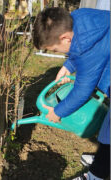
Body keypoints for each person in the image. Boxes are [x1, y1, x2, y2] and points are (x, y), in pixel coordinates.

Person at [32, 7, 110, 180]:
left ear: (64, 38)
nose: (56, 53)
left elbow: (82, 90)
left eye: (54, 50)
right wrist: (69, 66)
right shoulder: (79, 17)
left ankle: (96, 174)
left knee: (109, 132)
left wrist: (58, 112)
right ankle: (103, 160)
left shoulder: (85, 51)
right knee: (108, 129)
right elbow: (82, 44)